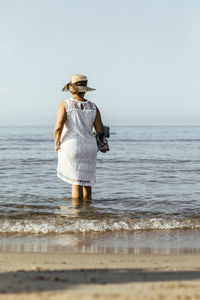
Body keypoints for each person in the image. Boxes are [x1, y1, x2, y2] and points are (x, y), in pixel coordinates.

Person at [54, 74, 106, 200]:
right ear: (84, 90)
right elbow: (100, 130)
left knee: (75, 181)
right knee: (86, 182)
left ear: (72, 89)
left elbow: (58, 127)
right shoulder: (93, 107)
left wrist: (57, 144)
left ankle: (77, 214)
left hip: (73, 146)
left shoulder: (65, 104)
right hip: (90, 148)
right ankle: (87, 213)